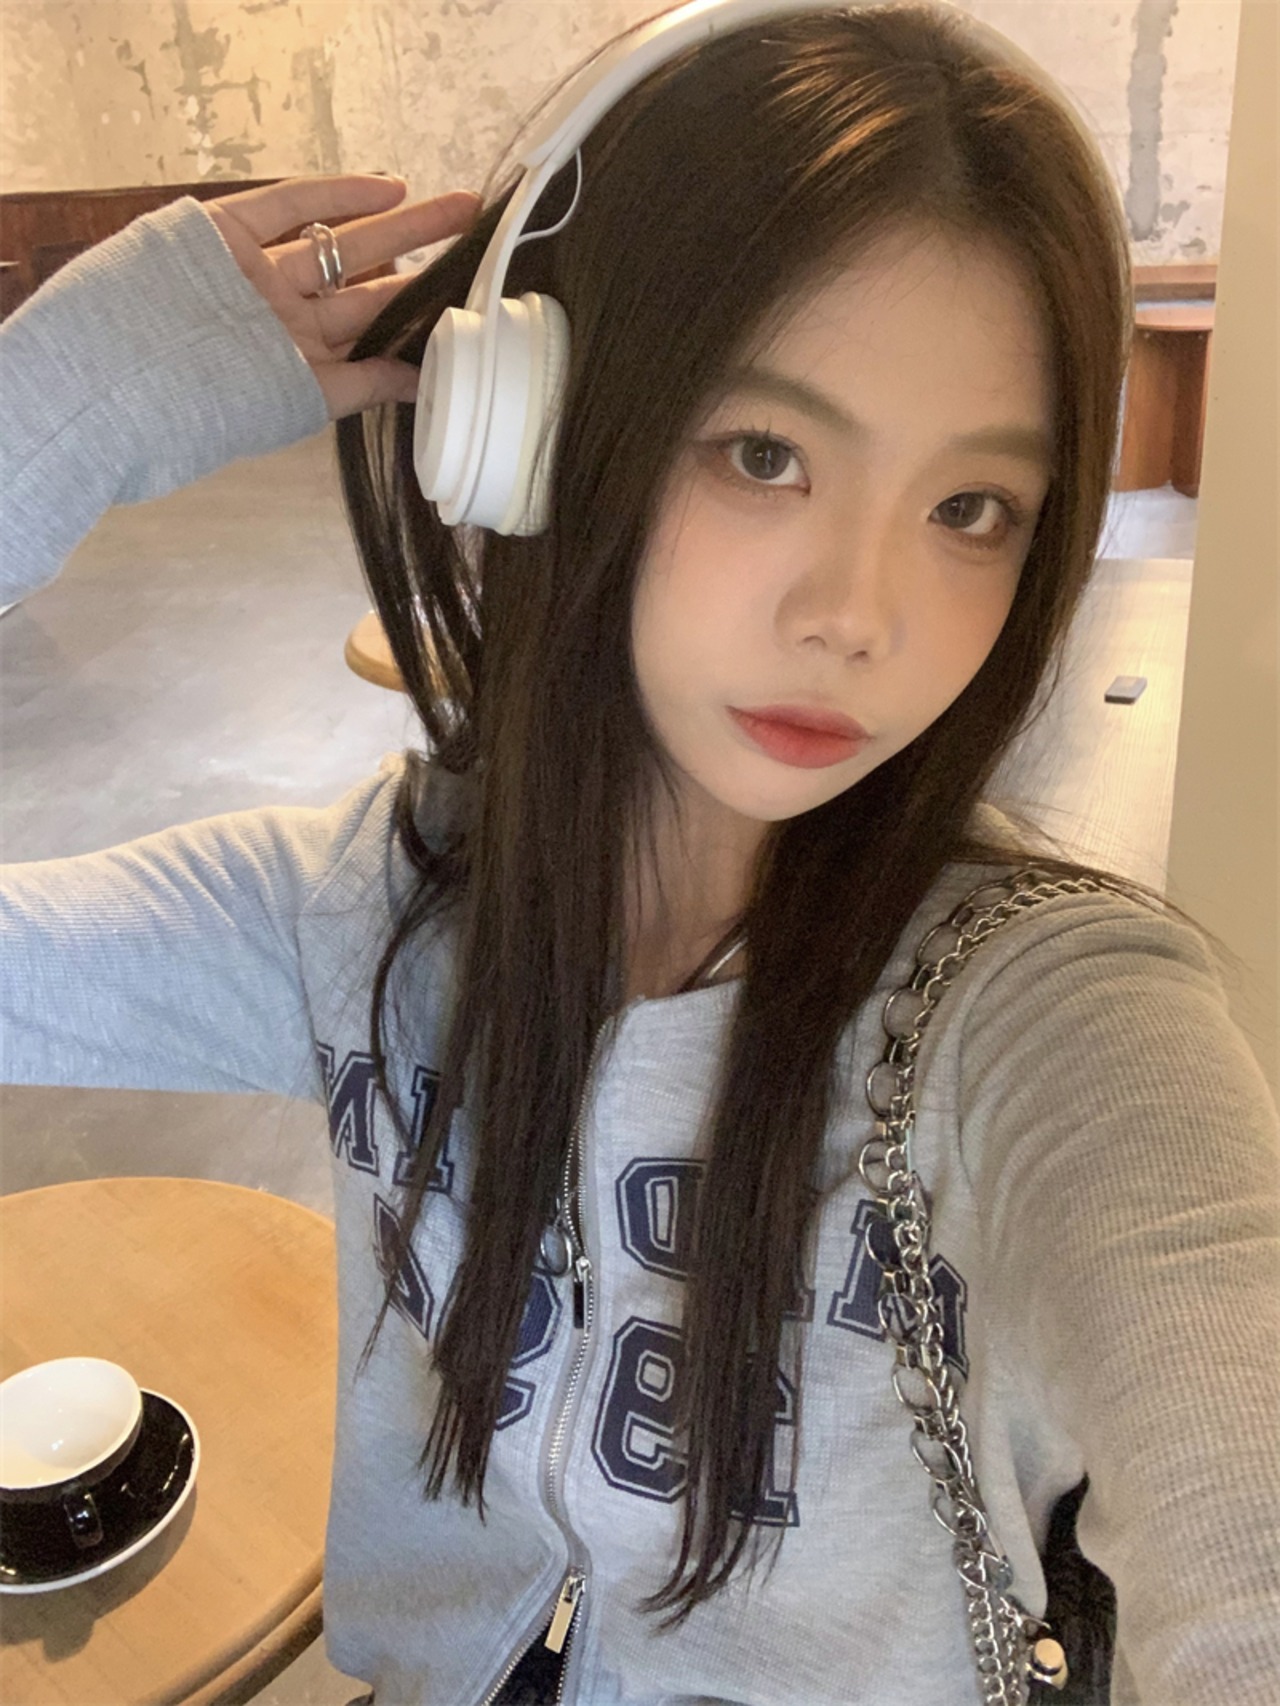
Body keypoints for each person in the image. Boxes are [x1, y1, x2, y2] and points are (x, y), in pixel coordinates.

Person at [2, 2, 1277, 1703]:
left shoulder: (1049, 1020)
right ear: (534, 436)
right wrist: (63, 408)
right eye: (766, 454)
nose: (860, 615)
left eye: (970, 507)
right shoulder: (363, 914)